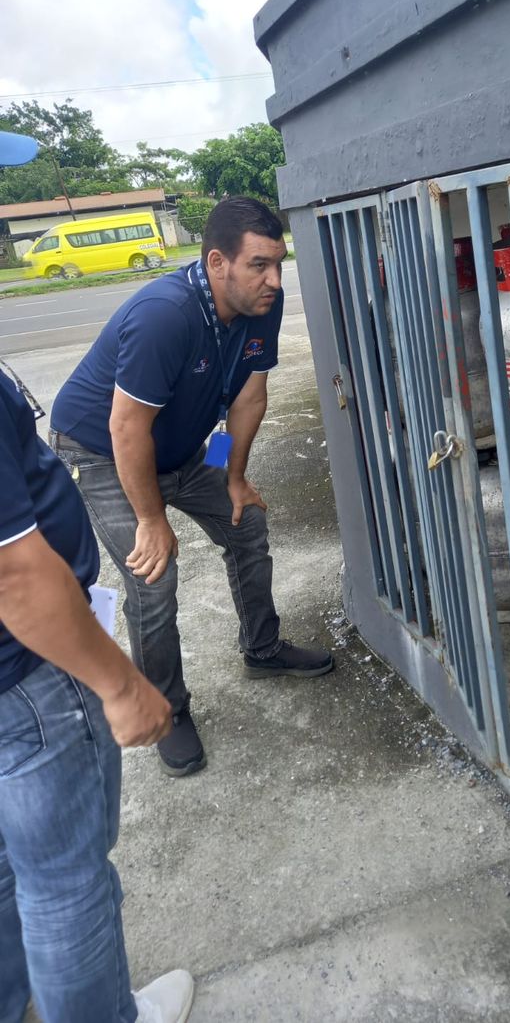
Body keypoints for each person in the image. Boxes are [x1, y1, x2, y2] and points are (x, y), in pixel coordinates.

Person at [0, 129, 195, 1022]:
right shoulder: (162, 311)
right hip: (29, 680)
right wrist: (118, 686)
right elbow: (17, 578)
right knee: (68, 883)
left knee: (12, 876)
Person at [49, 196, 333, 779]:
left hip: (178, 450)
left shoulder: (261, 307)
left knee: (246, 520)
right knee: (154, 574)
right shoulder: (166, 314)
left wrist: (231, 476)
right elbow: (126, 427)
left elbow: (246, 399)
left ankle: (263, 648)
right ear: (216, 263)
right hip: (103, 452)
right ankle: (168, 708)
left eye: (279, 263)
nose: (274, 281)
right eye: (260, 265)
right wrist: (153, 521)